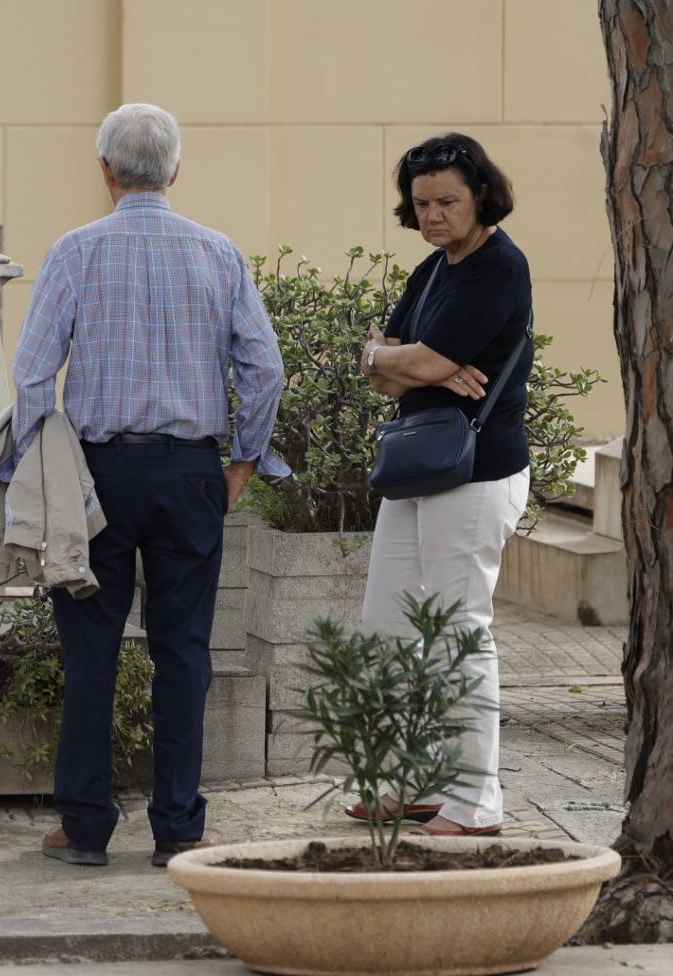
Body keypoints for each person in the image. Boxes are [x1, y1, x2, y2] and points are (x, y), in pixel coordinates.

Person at [10, 103, 288, 867]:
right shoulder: (217, 252)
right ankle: (179, 828)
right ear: (174, 170)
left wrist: (38, 473)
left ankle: (84, 826)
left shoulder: (74, 251)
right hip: (191, 470)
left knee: (90, 649)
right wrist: (241, 460)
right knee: (184, 650)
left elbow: (33, 376)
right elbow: (264, 371)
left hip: (97, 474)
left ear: (104, 171)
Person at [355, 132, 533, 837]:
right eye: (421, 203)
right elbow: (381, 366)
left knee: (460, 632)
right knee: (388, 623)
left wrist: (413, 362)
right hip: (415, 468)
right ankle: (414, 784)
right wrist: (396, 358)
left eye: (447, 202)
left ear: (480, 195)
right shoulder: (432, 271)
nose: (432, 215)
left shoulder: (498, 268)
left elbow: (421, 364)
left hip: (476, 469)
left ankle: (474, 802)